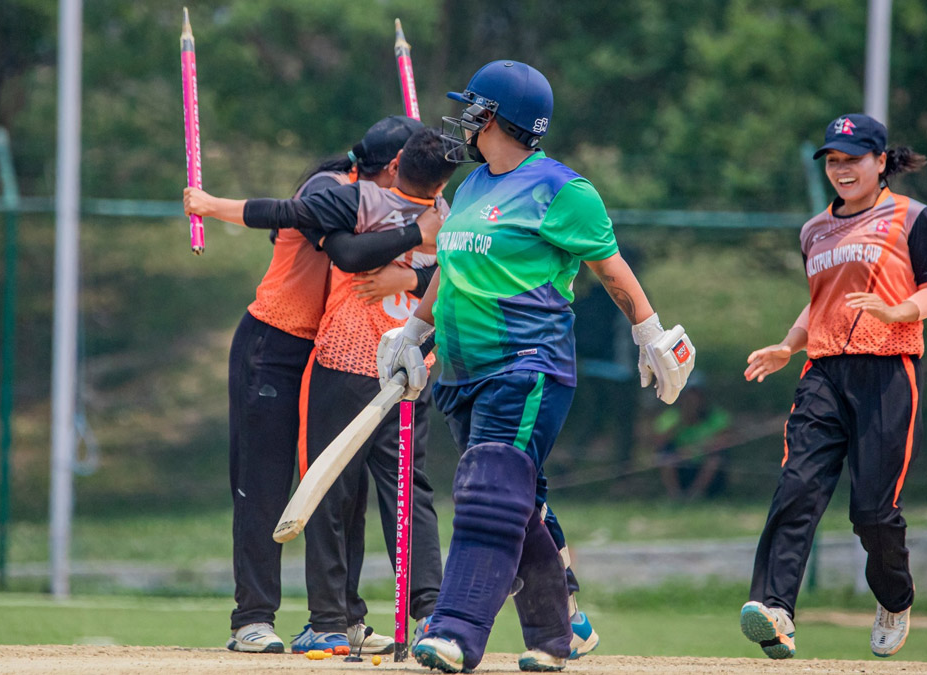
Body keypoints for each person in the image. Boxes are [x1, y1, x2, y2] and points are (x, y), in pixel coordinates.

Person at [376, 60, 696, 673]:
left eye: (472, 107)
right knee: (515, 505)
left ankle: (456, 629)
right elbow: (450, 270)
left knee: (488, 490)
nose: (463, 119)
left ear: (493, 117)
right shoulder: (470, 188)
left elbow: (610, 267)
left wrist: (650, 333)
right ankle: (554, 635)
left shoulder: (562, 190)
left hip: (530, 366)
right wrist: (415, 331)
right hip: (462, 373)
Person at [188, 127, 455, 652]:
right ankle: (254, 618)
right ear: (392, 162)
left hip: (344, 353)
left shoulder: (422, 204)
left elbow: (448, 268)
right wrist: (210, 205)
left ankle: (343, 617)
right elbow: (322, 238)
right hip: (279, 342)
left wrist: (411, 270)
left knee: (347, 488)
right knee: (267, 481)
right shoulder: (336, 191)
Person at [740, 113, 927, 660]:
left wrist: (897, 309)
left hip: (888, 368)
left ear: (881, 162)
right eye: (833, 161)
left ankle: (895, 598)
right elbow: (820, 302)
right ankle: (777, 611)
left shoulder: (910, 217)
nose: (841, 169)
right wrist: (789, 345)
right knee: (797, 488)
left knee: (874, 514)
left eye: (852, 159)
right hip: (824, 371)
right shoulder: (814, 230)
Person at [654, 374, 731, 501]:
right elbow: (659, 443)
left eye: (697, 395)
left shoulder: (717, 417)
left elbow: (724, 441)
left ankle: (695, 495)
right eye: (688, 395)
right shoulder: (671, 417)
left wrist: (694, 450)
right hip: (680, 466)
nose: (693, 400)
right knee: (665, 457)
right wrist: (682, 422)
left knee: (715, 459)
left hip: (705, 467)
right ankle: (675, 495)